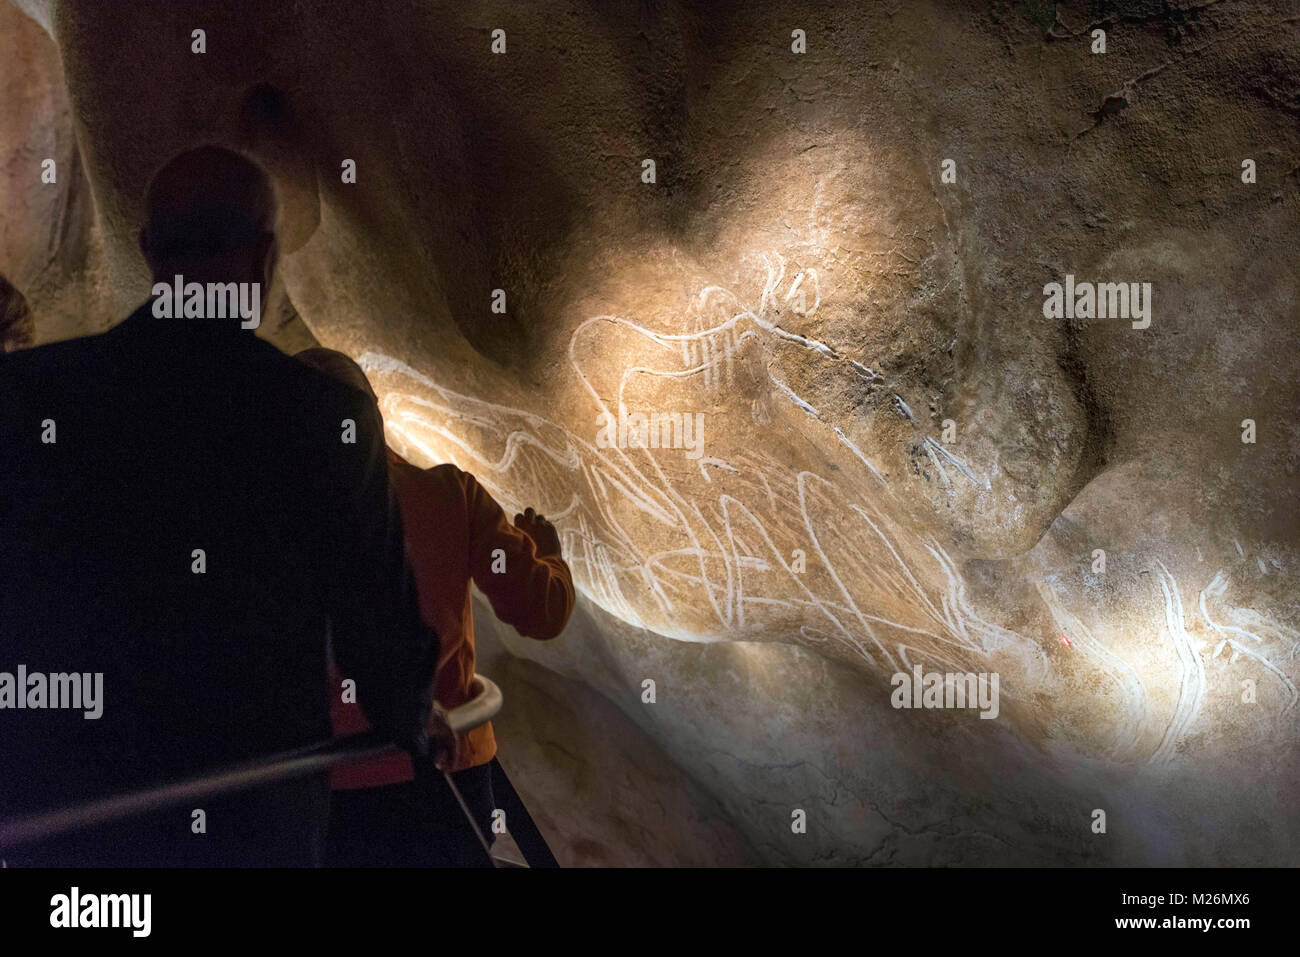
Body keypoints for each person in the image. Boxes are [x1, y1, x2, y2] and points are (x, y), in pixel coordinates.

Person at [0, 146, 442, 866]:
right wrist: (413, 718)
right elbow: (380, 635)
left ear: (148, 250)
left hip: (69, 820)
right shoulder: (322, 416)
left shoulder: (29, 397)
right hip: (248, 820)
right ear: (266, 256)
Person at [293, 348, 575, 867]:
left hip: (324, 789)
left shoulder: (259, 526)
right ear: (373, 414)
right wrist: (547, 553)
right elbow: (542, 610)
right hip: (451, 775)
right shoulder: (450, 495)